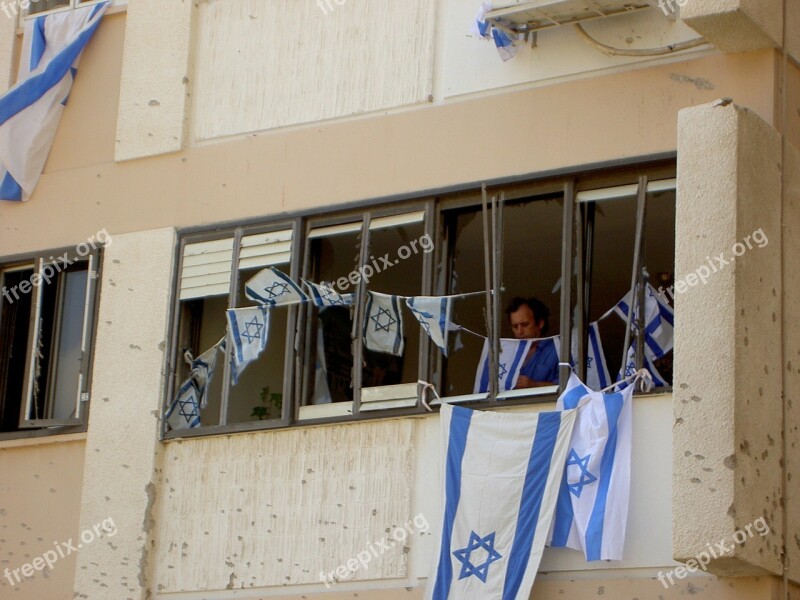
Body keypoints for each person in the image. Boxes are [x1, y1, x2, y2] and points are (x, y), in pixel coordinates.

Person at [506, 297, 559, 388]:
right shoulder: (507, 354)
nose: (519, 331)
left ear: (540, 323)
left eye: (525, 325)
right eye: (515, 326)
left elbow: (569, 387)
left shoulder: (557, 349)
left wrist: (534, 385)